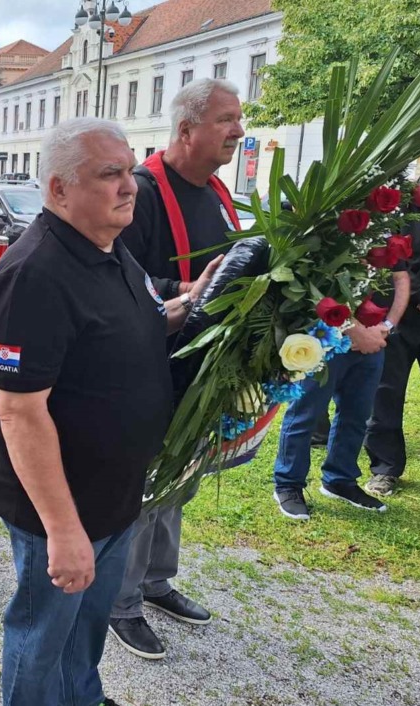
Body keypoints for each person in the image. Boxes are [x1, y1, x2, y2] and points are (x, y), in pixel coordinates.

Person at [0, 118, 220, 706]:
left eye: (129, 170)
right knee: (43, 632)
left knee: (86, 624)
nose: (129, 185)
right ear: (59, 189)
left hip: (114, 493)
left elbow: (135, 328)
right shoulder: (33, 274)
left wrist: (192, 302)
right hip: (61, 504)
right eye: (109, 174)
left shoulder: (110, 252)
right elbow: (18, 412)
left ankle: (80, 696)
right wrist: (63, 532)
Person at [111, 78, 245, 660]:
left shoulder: (217, 190)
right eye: (226, 120)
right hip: (149, 364)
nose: (239, 131)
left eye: (239, 119)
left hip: (200, 366)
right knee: (142, 482)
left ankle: (157, 581)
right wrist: (191, 291)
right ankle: (120, 602)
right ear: (186, 130)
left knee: (180, 475)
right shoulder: (140, 191)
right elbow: (122, 277)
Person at [273, 263, 407, 518]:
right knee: (306, 413)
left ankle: (340, 479)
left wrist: (386, 326)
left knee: (357, 414)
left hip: (373, 339)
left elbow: (401, 278)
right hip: (325, 335)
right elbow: (313, 287)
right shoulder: (326, 225)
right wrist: (356, 331)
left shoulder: (388, 229)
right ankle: (288, 484)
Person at [364, 183, 420, 496]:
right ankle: (385, 469)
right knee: (386, 395)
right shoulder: (405, 201)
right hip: (401, 315)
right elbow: (389, 254)